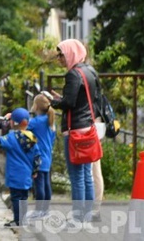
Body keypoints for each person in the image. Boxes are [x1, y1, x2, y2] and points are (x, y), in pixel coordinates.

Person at [48, 38, 98, 223]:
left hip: (75, 130)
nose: (59, 58)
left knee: (76, 175)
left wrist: (52, 102)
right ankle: (87, 214)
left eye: (61, 54)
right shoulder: (90, 71)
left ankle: (77, 217)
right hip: (88, 127)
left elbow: (69, 103)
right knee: (86, 174)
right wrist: (63, 98)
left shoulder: (72, 74)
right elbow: (86, 98)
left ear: (71, 52)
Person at [27, 94, 56, 218]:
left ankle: (38, 211)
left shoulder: (35, 122)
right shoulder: (50, 121)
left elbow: (24, 131)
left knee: (39, 184)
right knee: (46, 184)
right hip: (48, 156)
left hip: (37, 157)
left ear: (36, 106)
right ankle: (45, 210)